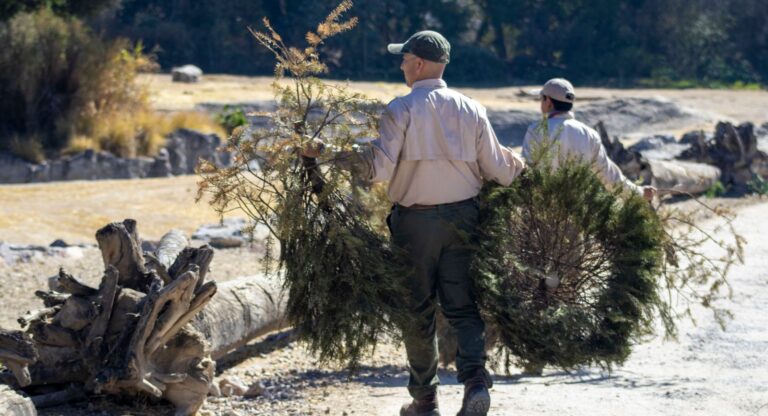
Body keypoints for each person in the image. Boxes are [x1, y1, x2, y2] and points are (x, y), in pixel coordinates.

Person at [341, 30, 525, 416]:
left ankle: (424, 401)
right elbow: (499, 170)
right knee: (462, 306)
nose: (401, 64)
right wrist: (522, 167)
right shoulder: (471, 108)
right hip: (464, 219)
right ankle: (475, 380)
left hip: (416, 225)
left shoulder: (401, 109)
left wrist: (334, 155)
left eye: (405, 58)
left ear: (419, 63)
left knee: (418, 310)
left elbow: (377, 170)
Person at [522, 78, 656, 201]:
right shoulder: (589, 134)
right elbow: (609, 177)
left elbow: (526, 172)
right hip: (579, 210)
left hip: (541, 208)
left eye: (541, 98)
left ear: (549, 102)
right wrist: (639, 192)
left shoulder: (536, 130)